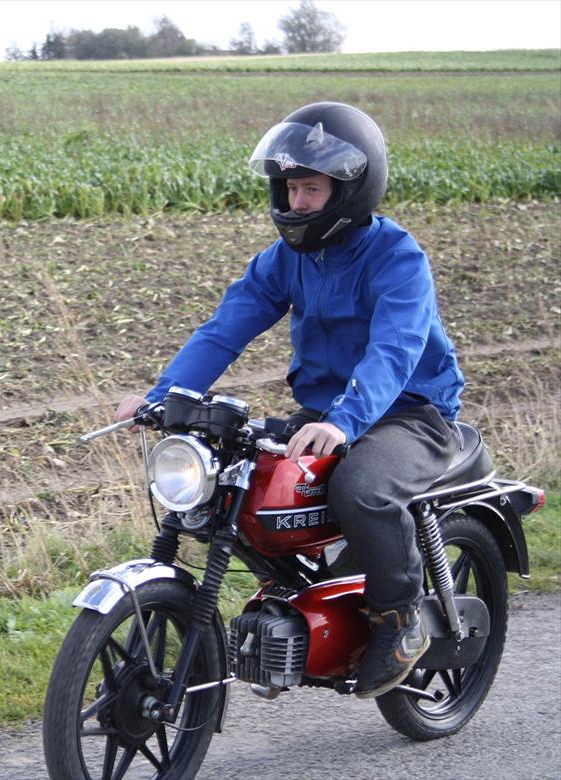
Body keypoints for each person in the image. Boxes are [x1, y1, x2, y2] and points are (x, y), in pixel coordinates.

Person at [114, 102, 464, 698]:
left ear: (349, 192)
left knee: (361, 488)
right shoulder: (286, 259)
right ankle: (292, 604)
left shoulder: (397, 258)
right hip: (327, 412)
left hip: (408, 413)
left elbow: (395, 349)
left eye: (312, 189)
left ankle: (400, 616)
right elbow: (225, 330)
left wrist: (346, 421)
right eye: (291, 188)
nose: (298, 202)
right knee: (242, 482)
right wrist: (162, 396)